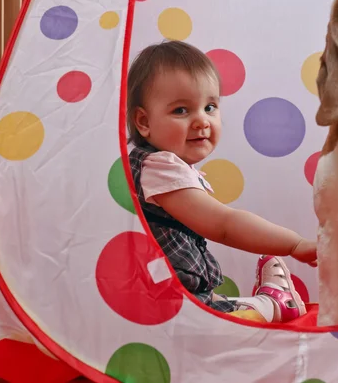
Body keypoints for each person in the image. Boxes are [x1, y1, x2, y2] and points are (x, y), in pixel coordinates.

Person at [127, 40, 317, 323]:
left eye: (210, 106)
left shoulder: (162, 168)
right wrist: (294, 244)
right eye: (181, 110)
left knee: (215, 304)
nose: (202, 121)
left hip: (177, 292)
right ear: (143, 122)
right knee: (224, 322)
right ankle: (273, 304)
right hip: (169, 302)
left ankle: (264, 297)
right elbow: (224, 225)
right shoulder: (159, 168)